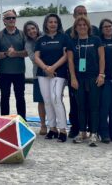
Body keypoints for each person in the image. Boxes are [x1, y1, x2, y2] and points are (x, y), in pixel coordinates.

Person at [67, 15, 105, 147]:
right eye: (79, 25)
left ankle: (93, 133)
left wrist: (101, 74)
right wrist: (73, 78)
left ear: (88, 27)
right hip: (79, 78)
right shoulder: (72, 42)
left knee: (94, 106)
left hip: (94, 77)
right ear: (75, 28)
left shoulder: (96, 40)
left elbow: (101, 58)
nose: (82, 27)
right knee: (81, 106)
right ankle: (82, 132)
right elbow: (70, 61)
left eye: (84, 25)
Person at [34, 14, 69, 142]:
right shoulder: (40, 39)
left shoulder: (64, 37)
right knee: (47, 100)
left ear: (58, 24)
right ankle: (52, 128)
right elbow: (36, 57)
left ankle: (63, 130)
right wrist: (45, 68)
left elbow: (66, 56)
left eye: (55, 22)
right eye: (50, 22)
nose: (53, 24)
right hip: (43, 73)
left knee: (56, 98)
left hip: (58, 73)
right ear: (46, 24)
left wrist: (53, 68)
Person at [0, 9, 27, 120]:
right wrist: (6, 54)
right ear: (4, 20)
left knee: (20, 98)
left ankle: (23, 121)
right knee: (4, 98)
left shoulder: (23, 34)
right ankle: (4, 121)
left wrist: (16, 53)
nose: (11, 20)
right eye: (8, 18)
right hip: (4, 72)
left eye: (13, 17)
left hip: (19, 72)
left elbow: (28, 52)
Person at [23, 21, 46, 135]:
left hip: (53, 72)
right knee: (41, 101)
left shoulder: (46, 36)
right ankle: (43, 125)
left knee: (53, 101)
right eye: (28, 30)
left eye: (33, 28)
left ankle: (54, 125)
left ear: (37, 28)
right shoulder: (28, 43)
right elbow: (33, 57)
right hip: (38, 73)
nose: (32, 31)